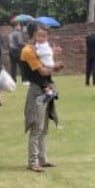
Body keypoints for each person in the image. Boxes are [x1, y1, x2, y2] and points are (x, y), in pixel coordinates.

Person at [20, 23, 62, 172]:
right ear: (32, 35)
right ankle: (33, 161)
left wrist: (53, 57)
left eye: (45, 35)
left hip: (46, 89)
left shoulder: (40, 50)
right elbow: (43, 72)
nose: (43, 38)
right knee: (37, 128)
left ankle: (42, 159)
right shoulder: (27, 51)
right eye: (40, 35)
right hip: (37, 91)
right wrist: (55, 66)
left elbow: (47, 66)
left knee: (44, 128)